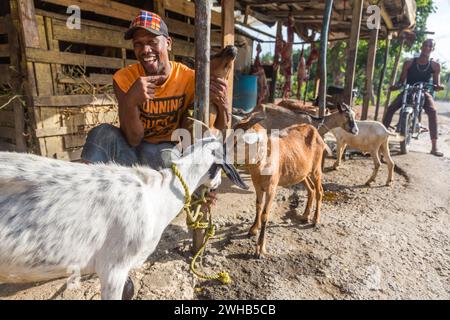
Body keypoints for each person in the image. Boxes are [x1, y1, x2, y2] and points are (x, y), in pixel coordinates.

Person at [81, 10, 230, 168]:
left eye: (152, 42)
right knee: (101, 133)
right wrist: (131, 101)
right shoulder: (124, 79)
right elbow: (133, 139)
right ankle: (86, 187)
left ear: (168, 43)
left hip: (164, 149)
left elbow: (219, 127)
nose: (145, 50)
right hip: (129, 149)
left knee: (165, 158)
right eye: (138, 44)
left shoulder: (190, 79)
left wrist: (223, 103)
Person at [383, 39, 445, 157]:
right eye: (425, 45)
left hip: (424, 91)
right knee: (391, 108)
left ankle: (434, 147)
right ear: (421, 47)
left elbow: (437, 83)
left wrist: (438, 87)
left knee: (433, 112)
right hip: (408, 90)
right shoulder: (409, 63)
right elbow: (401, 81)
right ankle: (379, 138)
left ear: (433, 49)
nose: (427, 48)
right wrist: (396, 86)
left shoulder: (435, 65)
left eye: (430, 46)